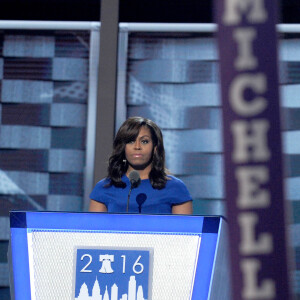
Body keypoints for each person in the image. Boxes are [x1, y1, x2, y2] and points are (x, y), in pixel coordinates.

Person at [89, 116, 192, 214]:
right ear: (123, 147)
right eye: (131, 141)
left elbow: (185, 231)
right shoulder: (104, 188)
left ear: (155, 148)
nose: (137, 146)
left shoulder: (175, 188)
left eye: (144, 141)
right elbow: (94, 231)